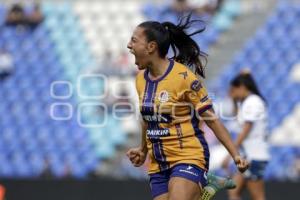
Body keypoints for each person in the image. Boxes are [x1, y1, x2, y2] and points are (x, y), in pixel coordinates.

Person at [126, 14, 249, 200]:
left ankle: (204, 183)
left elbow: (212, 120)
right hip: (158, 163)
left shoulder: (184, 78)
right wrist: (143, 150)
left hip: (188, 155)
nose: (129, 45)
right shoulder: (140, 79)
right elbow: (148, 118)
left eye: (134, 40)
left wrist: (235, 155)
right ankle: (209, 189)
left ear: (151, 47)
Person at [222, 71, 270, 200]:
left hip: (254, 156)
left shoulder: (253, 101)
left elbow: (246, 130)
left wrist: (230, 155)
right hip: (247, 156)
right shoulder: (247, 102)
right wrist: (233, 100)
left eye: (233, 90)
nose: (232, 93)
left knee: (258, 196)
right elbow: (236, 119)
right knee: (233, 192)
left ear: (242, 87)